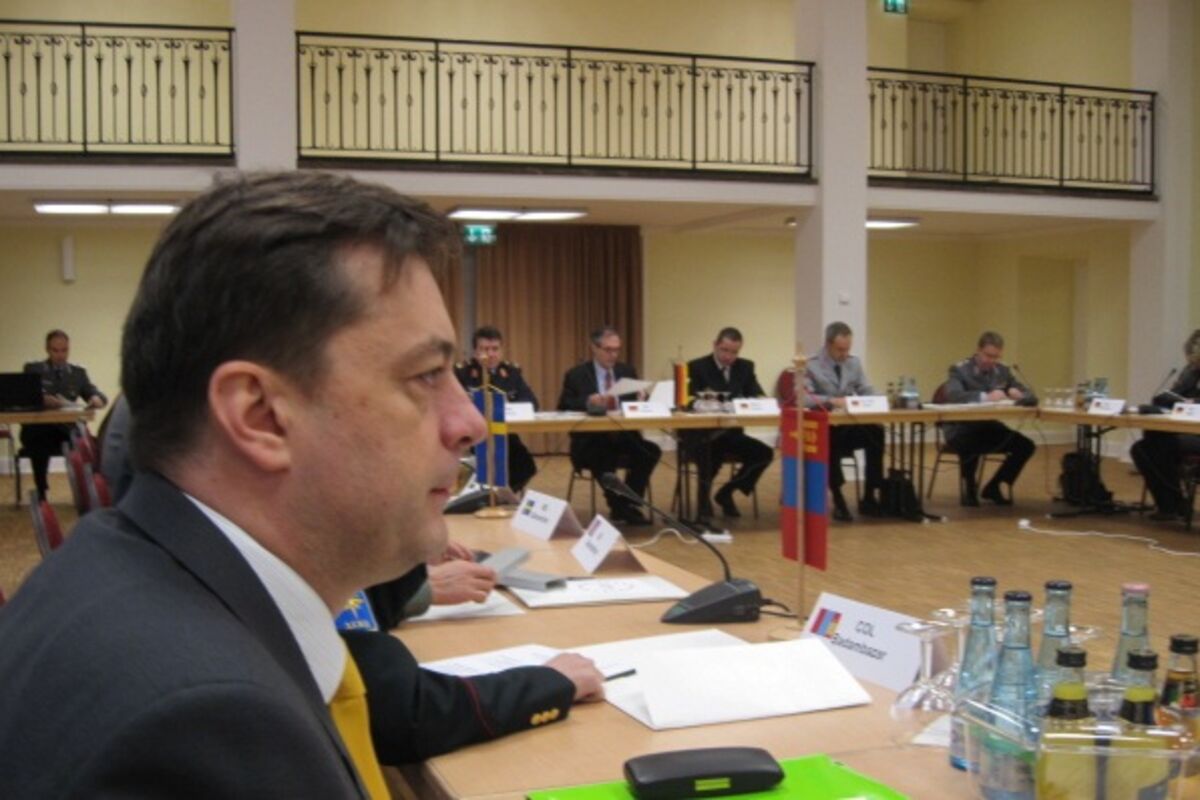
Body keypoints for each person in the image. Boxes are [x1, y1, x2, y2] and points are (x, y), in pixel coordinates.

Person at [0, 172, 603, 797]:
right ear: (260, 415)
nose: (470, 423)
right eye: (426, 374)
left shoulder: (126, 568)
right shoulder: (210, 728)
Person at [558, 325, 661, 525]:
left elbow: (636, 403)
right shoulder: (577, 374)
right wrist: (588, 402)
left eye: (616, 350)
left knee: (650, 451)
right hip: (591, 439)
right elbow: (564, 405)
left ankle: (627, 502)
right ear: (594, 348)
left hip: (624, 435)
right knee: (602, 454)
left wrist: (643, 398)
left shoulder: (626, 371)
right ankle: (620, 507)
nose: (613, 355)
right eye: (608, 350)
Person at [683, 327, 774, 520]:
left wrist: (760, 401)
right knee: (711, 454)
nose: (728, 357)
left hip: (731, 433)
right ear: (715, 345)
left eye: (734, 352)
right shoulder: (696, 366)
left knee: (764, 454)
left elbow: (756, 394)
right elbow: (686, 401)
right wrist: (708, 404)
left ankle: (726, 492)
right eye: (724, 350)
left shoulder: (745, 367)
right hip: (702, 435)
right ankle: (703, 502)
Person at [800, 322, 885, 522]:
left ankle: (870, 495)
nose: (844, 354)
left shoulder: (853, 363)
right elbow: (803, 397)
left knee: (876, 433)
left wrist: (879, 399)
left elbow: (865, 388)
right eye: (840, 349)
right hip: (825, 427)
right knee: (830, 441)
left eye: (847, 349)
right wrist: (830, 401)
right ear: (828, 344)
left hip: (847, 423)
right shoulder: (810, 365)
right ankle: (838, 499)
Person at [942, 331, 1037, 506]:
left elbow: (1029, 394)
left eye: (996, 357)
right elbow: (954, 395)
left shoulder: (1002, 370)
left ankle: (994, 486)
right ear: (978, 351)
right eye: (988, 355)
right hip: (961, 427)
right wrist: (986, 397)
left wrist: (1020, 394)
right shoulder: (959, 369)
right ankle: (969, 489)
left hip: (988, 425)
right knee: (972, 442)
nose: (992, 361)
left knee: (1026, 446)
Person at [19, 329, 107, 500]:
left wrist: (96, 399)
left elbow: (93, 392)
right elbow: (24, 396)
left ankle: (89, 492)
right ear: (47, 349)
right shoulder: (33, 369)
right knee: (38, 440)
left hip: (66, 429)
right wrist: (42, 400)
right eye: (55, 350)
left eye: (64, 350)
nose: (60, 355)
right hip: (40, 428)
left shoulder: (78, 373)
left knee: (88, 443)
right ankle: (41, 490)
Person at [454, 325, 539, 492]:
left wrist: (508, 405)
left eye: (495, 349)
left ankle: (502, 495)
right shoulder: (463, 372)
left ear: (501, 350)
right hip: (475, 435)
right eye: (485, 349)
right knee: (491, 458)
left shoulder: (511, 372)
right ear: (475, 352)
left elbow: (532, 402)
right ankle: (494, 494)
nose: (491, 354)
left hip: (505, 433)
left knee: (525, 464)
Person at [1129, 329, 1200, 521]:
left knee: (1161, 443)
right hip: (1184, 430)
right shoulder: (1190, 372)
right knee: (1141, 449)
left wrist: (1190, 403)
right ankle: (1169, 504)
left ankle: (1175, 505)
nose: (1192, 362)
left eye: (1195, 357)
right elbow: (1174, 395)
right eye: (1191, 357)